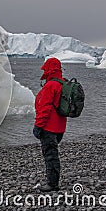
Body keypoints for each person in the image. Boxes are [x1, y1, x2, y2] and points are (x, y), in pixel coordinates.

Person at [33, 57, 67, 192]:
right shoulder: (63, 83)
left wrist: (38, 126)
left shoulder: (50, 85)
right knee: (53, 154)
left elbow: (45, 108)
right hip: (60, 127)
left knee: (50, 155)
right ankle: (53, 180)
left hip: (49, 127)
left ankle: (52, 184)